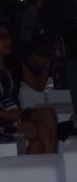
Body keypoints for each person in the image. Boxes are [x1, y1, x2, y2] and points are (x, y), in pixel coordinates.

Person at [0, 22, 57, 153]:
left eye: (9, 37)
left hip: (18, 114)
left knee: (48, 115)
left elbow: (38, 86)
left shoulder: (14, 64)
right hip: (4, 117)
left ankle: (50, 161)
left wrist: (46, 65)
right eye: (2, 37)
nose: (8, 41)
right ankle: (51, 162)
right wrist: (8, 115)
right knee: (38, 131)